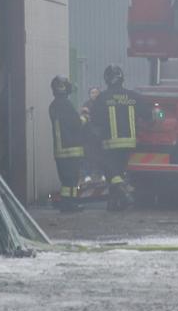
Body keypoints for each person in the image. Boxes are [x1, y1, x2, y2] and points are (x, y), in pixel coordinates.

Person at [89, 65, 149, 211]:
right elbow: (148, 115)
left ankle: (126, 195)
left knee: (112, 173)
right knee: (119, 172)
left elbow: (95, 121)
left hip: (110, 144)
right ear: (122, 78)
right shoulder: (133, 96)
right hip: (129, 143)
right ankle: (115, 203)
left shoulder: (101, 98)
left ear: (107, 80)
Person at [48, 75, 88, 212]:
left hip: (60, 151)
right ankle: (71, 204)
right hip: (72, 149)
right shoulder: (66, 104)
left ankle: (67, 204)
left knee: (66, 181)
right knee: (72, 180)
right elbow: (76, 123)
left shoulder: (53, 105)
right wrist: (85, 117)